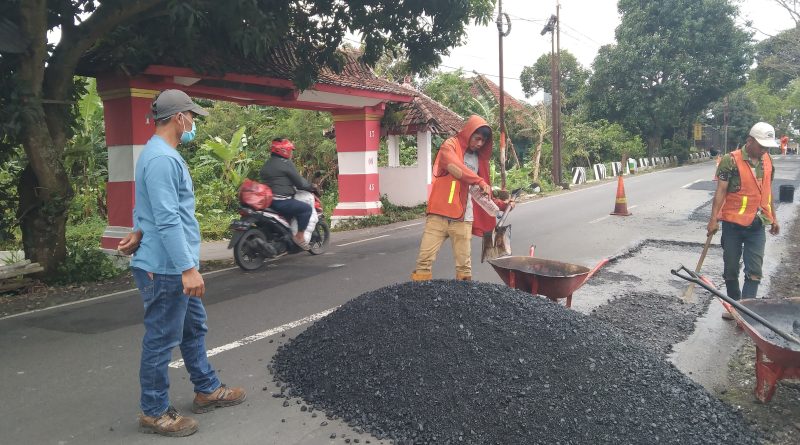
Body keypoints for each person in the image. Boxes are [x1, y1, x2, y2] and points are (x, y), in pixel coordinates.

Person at [117, 89, 245, 437]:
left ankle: (206, 388)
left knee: (193, 329)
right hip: (166, 268)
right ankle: (154, 411)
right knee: (161, 339)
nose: (193, 124)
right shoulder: (161, 159)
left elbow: (153, 210)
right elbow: (168, 217)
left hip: (169, 260)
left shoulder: (160, 154)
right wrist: (187, 268)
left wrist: (139, 231)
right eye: (192, 117)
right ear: (179, 118)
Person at [410, 115, 513, 281]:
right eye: (477, 138)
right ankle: (420, 296)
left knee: (464, 266)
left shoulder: (480, 160)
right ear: (469, 133)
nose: (479, 144)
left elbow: (482, 192)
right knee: (424, 261)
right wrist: (478, 180)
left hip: (464, 219)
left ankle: (465, 300)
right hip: (439, 215)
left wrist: (502, 205)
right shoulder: (450, 145)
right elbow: (454, 167)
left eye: (483, 141)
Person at [707, 122, 780, 320]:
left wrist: (774, 217)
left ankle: (746, 312)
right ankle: (734, 306)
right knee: (730, 268)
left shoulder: (768, 161)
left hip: (757, 225)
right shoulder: (730, 161)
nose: (765, 149)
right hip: (733, 225)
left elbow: (768, 191)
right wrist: (713, 220)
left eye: (767, 146)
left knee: (754, 270)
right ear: (750, 141)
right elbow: (721, 191)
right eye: (761, 145)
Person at [259, 138, 315, 250]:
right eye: (290, 150)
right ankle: (299, 236)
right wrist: (311, 187)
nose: (291, 153)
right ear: (283, 151)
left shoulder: (267, 164)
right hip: (281, 201)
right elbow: (299, 183)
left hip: (268, 202)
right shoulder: (285, 163)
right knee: (306, 209)